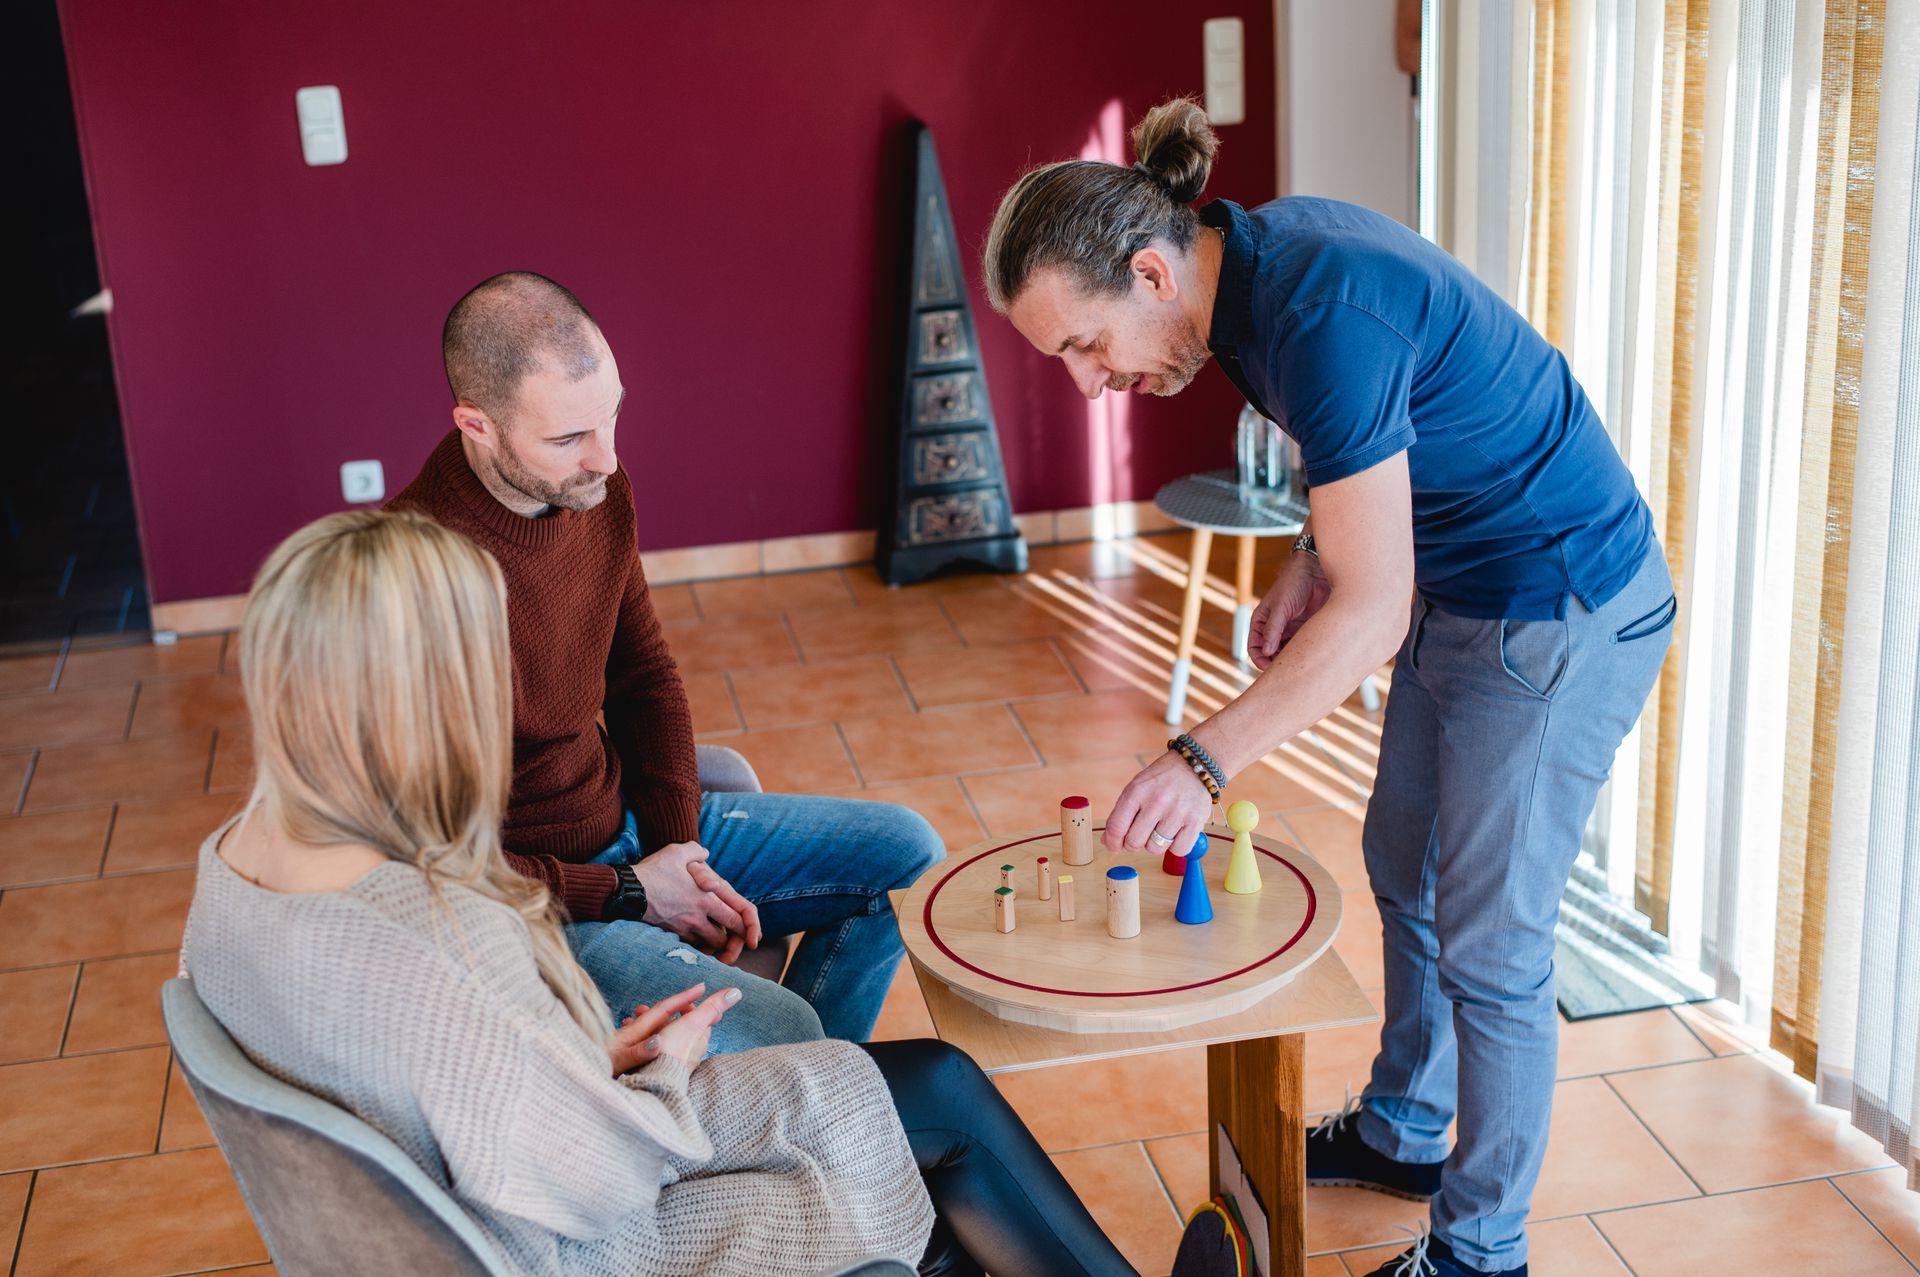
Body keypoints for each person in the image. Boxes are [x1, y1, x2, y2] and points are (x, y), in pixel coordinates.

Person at [978, 100, 1676, 1277]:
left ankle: (1479, 1249)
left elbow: (1375, 610)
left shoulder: (1315, 308)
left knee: (1494, 945)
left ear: (1149, 271)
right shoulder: (1243, 284)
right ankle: (1407, 1130)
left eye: (1085, 346)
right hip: (1462, 585)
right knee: (1404, 859)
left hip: (1557, 606)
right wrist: (1315, 552)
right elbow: (1379, 454)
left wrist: (1201, 757)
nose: (1093, 384)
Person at [181, 509, 1150, 1277]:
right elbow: (591, 1178)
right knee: (931, 1103)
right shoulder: (436, 928)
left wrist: (589, 1058)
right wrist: (657, 1072)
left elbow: (446, 1083)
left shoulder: (231, 868)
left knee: (921, 1092)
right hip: (589, 1237)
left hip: (499, 1186)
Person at [389, 272, 946, 1052]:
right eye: (567, 439)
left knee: (911, 858)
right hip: (547, 904)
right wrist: (628, 891)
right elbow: (430, 862)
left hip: (631, 835)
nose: (607, 460)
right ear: (476, 425)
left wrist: (679, 852)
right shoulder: (406, 576)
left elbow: (645, 677)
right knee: (786, 1028)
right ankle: (808, 1086)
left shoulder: (593, 492)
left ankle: (815, 1089)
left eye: (611, 418)